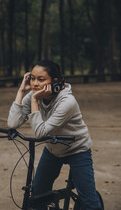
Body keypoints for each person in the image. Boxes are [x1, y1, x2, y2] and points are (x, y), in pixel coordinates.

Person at [7, 60, 102, 210]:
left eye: (41, 79)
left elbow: (40, 133)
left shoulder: (67, 101)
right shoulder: (34, 94)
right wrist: (20, 91)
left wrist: (34, 100)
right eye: (32, 78)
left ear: (55, 82)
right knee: (38, 195)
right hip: (53, 150)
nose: (35, 84)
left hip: (77, 149)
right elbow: (12, 123)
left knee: (88, 201)